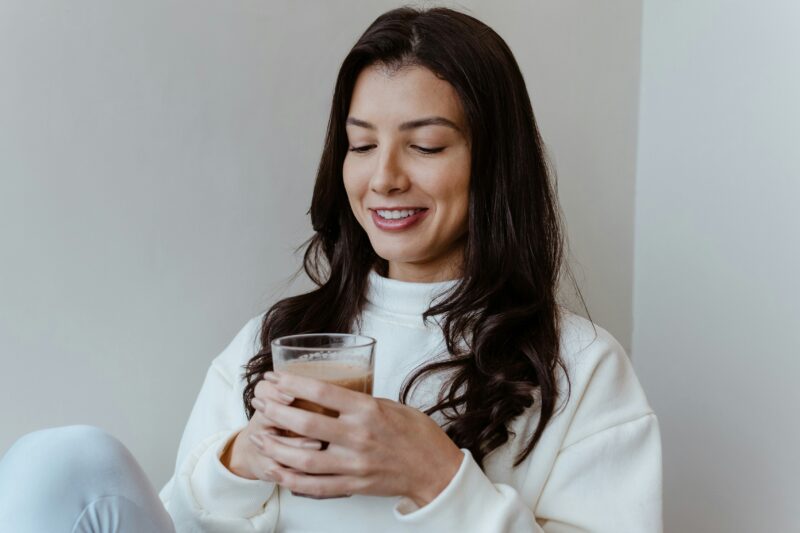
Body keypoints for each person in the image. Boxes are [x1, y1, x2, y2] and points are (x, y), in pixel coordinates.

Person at [0, 6, 662, 533]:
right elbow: (174, 521)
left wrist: (437, 477)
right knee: (60, 464)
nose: (384, 177)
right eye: (362, 144)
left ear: (493, 161)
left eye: (425, 144)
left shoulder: (579, 368)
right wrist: (243, 461)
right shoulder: (274, 340)